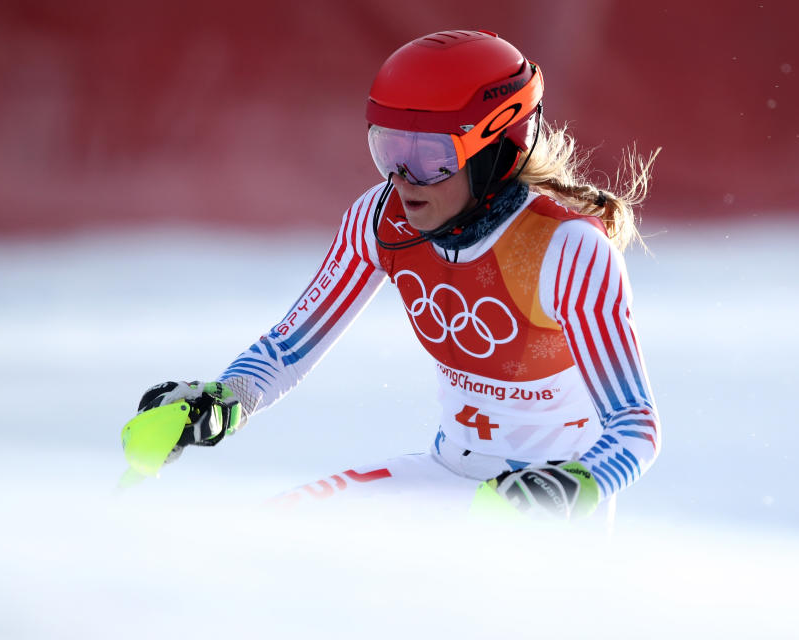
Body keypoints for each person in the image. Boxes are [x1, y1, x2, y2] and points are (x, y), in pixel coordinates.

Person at [134, 29, 661, 523]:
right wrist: (226, 399)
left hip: (542, 509)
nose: (403, 180)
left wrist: (574, 485)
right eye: (388, 149)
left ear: (498, 149)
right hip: (446, 474)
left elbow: (635, 425)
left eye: (430, 158)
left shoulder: (565, 250)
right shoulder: (380, 219)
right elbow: (288, 350)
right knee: (270, 531)